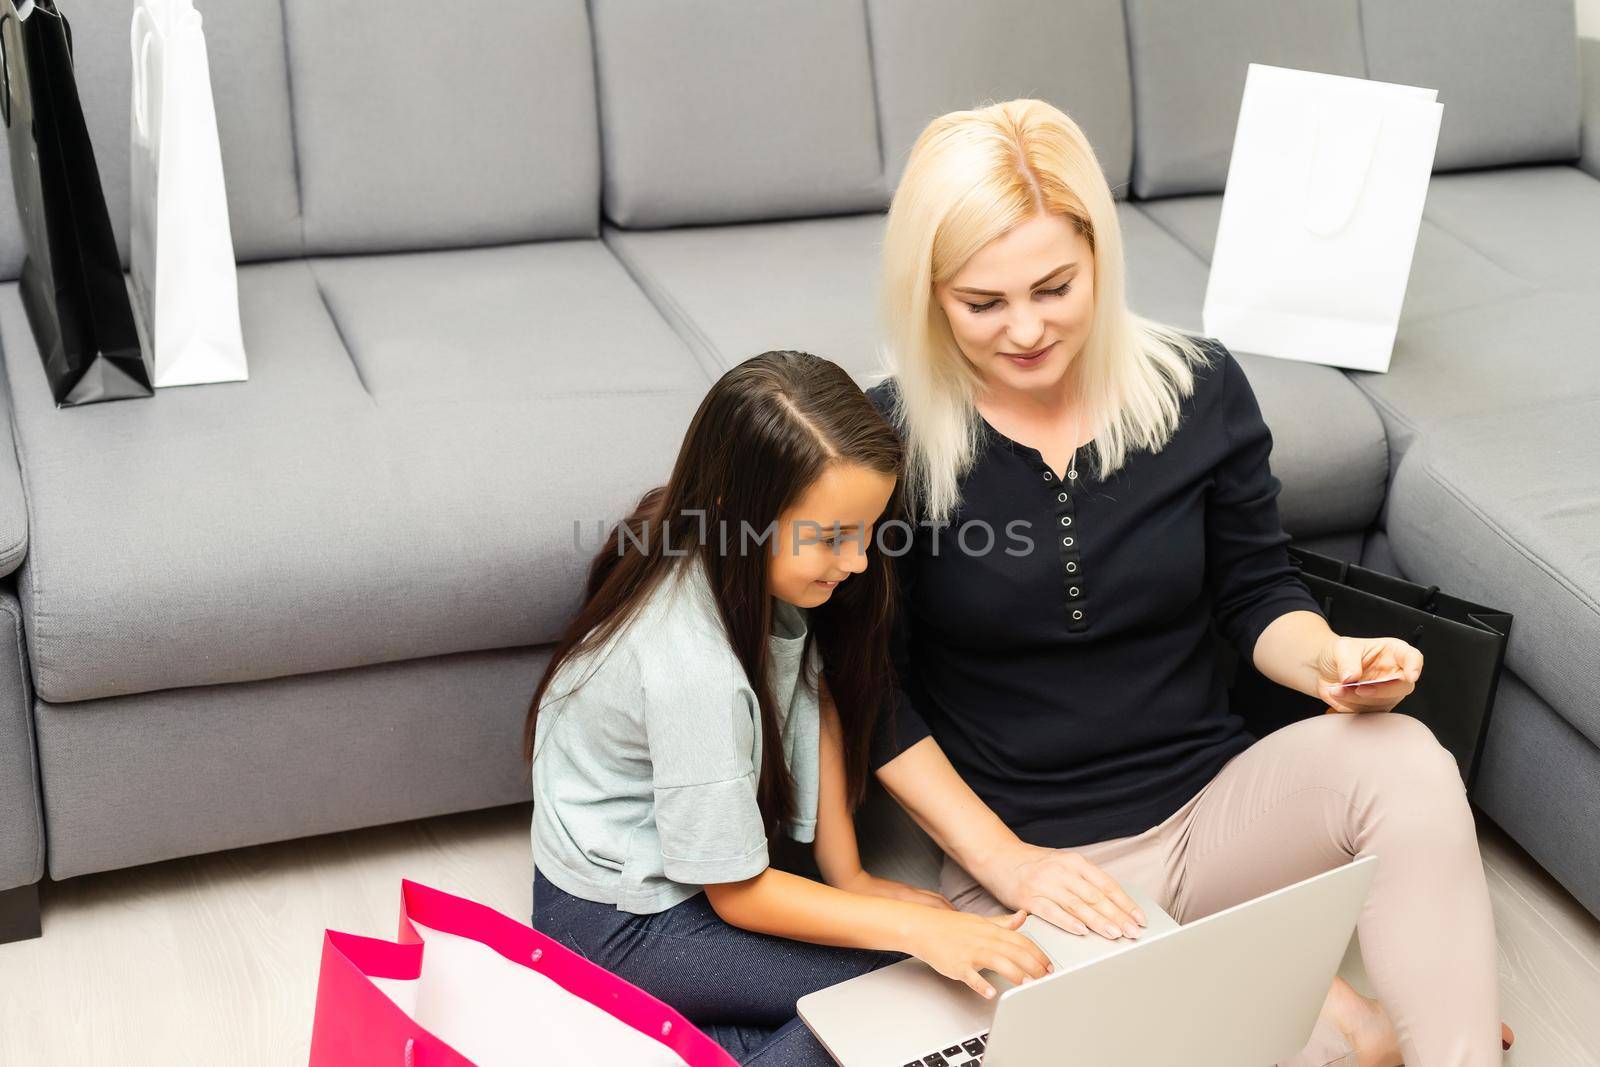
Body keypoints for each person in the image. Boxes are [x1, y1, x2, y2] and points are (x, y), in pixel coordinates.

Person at [866, 99, 1510, 1066]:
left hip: (1216, 816)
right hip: (1035, 864)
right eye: (982, 303)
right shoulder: (891, 442)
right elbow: (871, 690)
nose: (1029, 329)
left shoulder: (1197, 388)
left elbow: (1257, 591)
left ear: (1099, 257)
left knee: (1403, 754)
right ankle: (1334, 1014)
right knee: (1288, 1046)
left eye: (1055, 286)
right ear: (929, 293)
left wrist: (1330, 659)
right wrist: (1007, 863)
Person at [524, 351, 1054, 1066]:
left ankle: (704, 1041)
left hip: (683, 887)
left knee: (910, 981)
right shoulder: (691, 665)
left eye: (867, 531)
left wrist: (854, 879)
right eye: (832, 538)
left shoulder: (734, 556)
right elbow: (739, 896)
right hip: (620, 923)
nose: (860, 560)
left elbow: (817, 691)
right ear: (735, 514)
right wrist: (903, 929)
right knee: (907, 988)